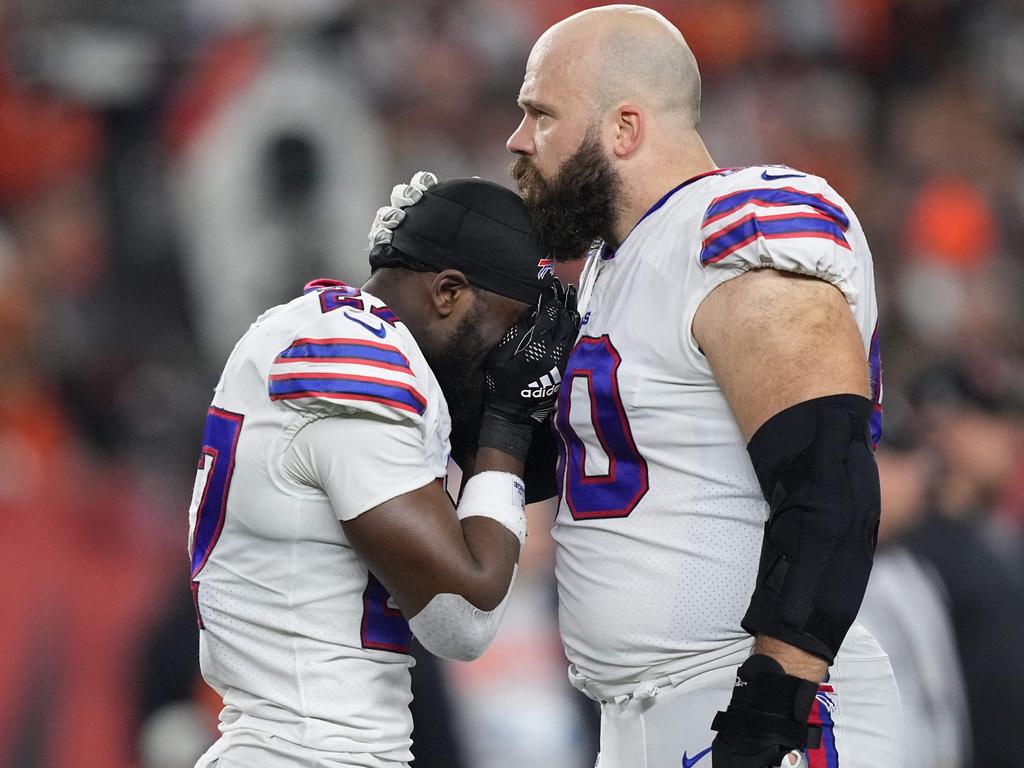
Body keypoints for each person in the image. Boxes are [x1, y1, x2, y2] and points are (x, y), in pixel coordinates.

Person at [503, 5, 900, 768]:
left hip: (755, 707)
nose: (517, 139)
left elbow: (828, 486)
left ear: (624, 128)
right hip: (653, 717)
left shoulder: (737, 224)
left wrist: (770, 709)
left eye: (539, 113)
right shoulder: (611, 270)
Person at [186, 175, 580, 768]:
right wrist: (506, 419)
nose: (510, 362)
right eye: (510, 337)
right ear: (448, 292)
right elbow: (463, 619)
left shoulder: (329, 330)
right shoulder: (354, 353)